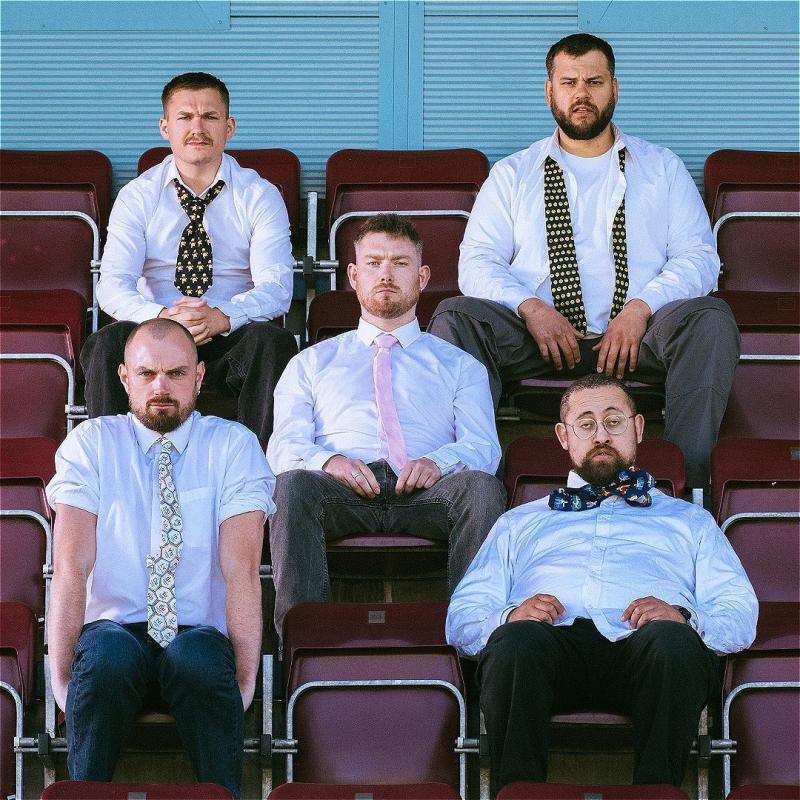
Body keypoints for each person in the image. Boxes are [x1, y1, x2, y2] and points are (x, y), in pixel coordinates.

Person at [428, 33, 739, 489]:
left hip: (639, 338)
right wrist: (530, 309)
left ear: (614, 88)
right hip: (537, 340)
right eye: (569, 82)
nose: (581, 94)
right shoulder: (514, 172)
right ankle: (474, 484)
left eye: (594, 82)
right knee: (455, 315)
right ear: (549, 90)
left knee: (711, 318)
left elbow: (699, 258)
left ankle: (685, 489)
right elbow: (476, 262)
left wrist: (641, 309)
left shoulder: (661, 167)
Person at [446, 373, 758, 794]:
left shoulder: (690, 520)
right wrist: (508, 616)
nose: (601, 435)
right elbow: (462, 616)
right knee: (513, 642)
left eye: (613, 421)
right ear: (563, 436)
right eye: (586, 423)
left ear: (638, 428)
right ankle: (516, 791)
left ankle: (657, 792)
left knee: (675, 643)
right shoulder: (519, 521)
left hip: (650, 653)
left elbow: (740, 611)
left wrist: (684, 618)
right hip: (546, 653)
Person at [47, 318, 273, 798]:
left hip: (197, 635)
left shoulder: (233, 445)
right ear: (125, 378)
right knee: (105, 657)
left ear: (200, 376)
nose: (161, 387)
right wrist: (62, 676)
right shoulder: (91, 444)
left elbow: (242, 572)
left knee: (196, 659)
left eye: (175, 372)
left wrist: (247, 677)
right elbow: (70, 567)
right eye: (147, 374)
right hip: (112, 634)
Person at [267, 214, 506, 634]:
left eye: (400, 262)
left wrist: (439, 461)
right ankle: (305, 646)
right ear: (354, 277)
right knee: (290, 486)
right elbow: (283, 445)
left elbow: (484, 448)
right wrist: (330, 462)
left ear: (422, 276)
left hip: (428, 493)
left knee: (482, 488)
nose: (386, 274)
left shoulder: (460, 365)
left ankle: (473, 643)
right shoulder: (311, 363)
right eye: (374, 263)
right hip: (340, 494)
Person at [81, 71, 297, 443]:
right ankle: (114, 472)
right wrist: (163, 317)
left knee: (273, 342)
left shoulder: (259, 195)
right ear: (165, 126)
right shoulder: (138, 196)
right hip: (156, 331)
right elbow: (112, 285)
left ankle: (257, 480)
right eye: (185, 117)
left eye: (210, 117)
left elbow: (277, 288)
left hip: (230, 335)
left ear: (229, 127)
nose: (197, 127)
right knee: (105, 345)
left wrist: (222, 316)